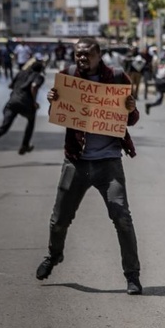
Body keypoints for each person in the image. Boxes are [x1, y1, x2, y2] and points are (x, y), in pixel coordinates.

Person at [36, 37, 143, 295]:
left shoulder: (117, 77)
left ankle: (133, 276)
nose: (82, 59)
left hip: (108, 163)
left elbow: (132, 119)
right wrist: (54, 99)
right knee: (59, 219)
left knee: (122, 218)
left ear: (98, 55)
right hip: (76, 160)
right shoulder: (68, 76)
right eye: (78, 55)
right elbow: (59, 110)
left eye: (87, 55)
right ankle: (54, 255)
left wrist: (131, 108)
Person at [0, 56, 45, 158]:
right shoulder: (39, 76)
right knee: (31, 120)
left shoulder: (21, 73)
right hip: (26, 104)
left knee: (5, 126)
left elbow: (10, 86)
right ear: (40, 70)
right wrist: (34, 102)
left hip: (12, 102)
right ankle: (25, 145)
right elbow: (34, 86)